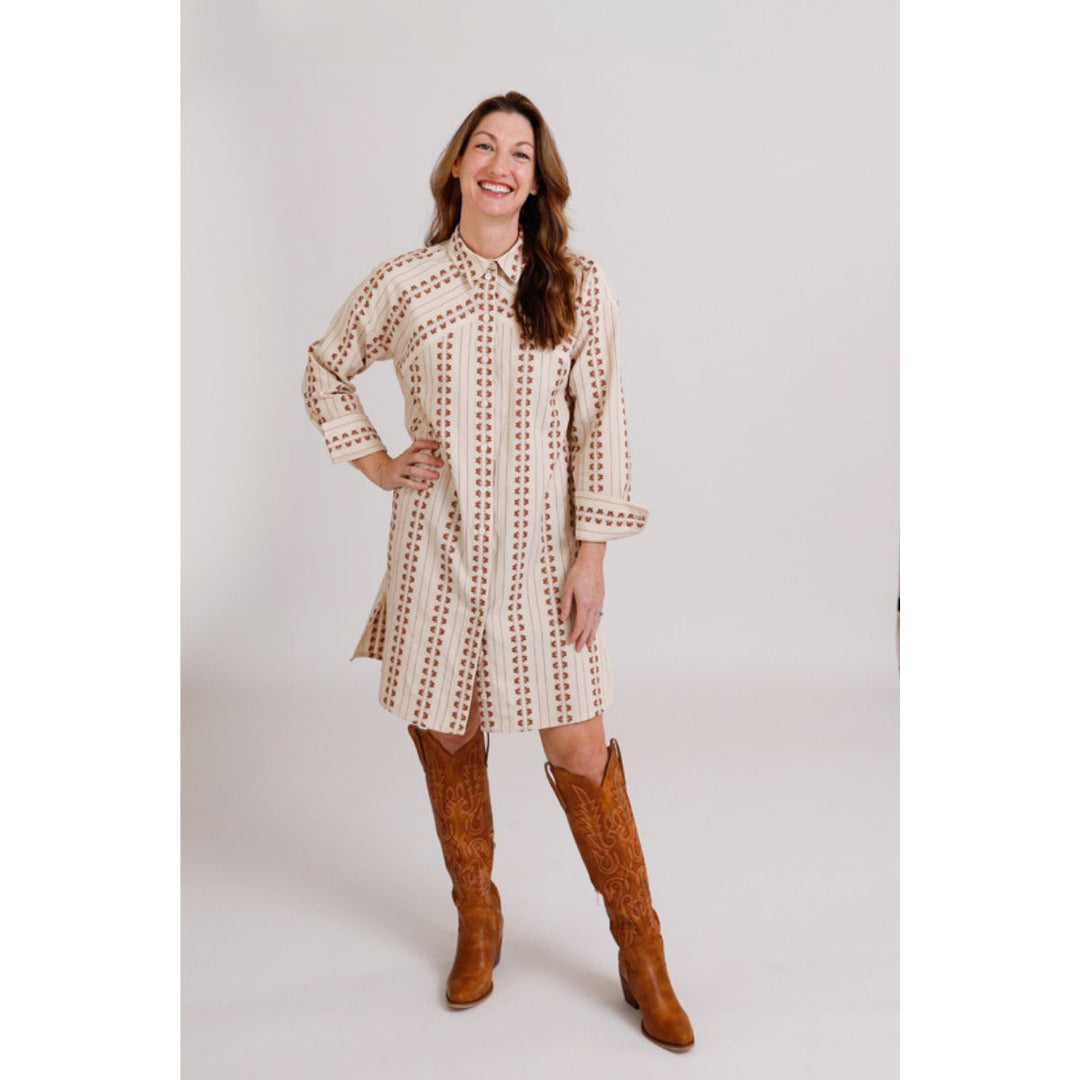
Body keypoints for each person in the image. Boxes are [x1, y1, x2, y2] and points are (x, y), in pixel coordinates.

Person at [302, 91, 694, 1052]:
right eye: (485, 145)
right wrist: (381, 462)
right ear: (456, 166)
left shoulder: (577, 283)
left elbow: (603, 425)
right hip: (435, 552)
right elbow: (325, 367)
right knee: (447, 733)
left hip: (542, 561)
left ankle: (642, 952)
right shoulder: (406, 281)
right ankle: (478, 920)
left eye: (521, 152)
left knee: (579, 750)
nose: (501, 163)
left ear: (536, 178)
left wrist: (591, 557)